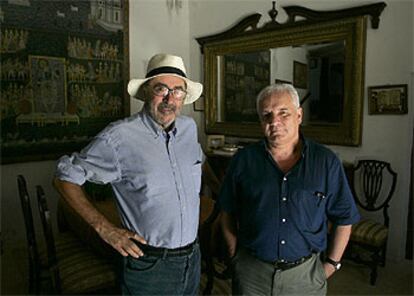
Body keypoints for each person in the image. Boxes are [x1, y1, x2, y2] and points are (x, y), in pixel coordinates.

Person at [54, 53, 209, 295]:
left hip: (192, 258)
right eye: (161, 89)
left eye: (178, 91)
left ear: (184, 97)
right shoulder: (118, 137)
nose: (170, 98)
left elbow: (199, 165)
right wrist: (105, 229)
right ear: (147, 91)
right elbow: (65, 178)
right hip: (149, 265)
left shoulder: (189, 129)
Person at [217, 83, 360, 296]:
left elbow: (344, 218)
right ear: (260, 121)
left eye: (284, 113)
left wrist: (331, 264)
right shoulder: (243, 160)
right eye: (267, 115)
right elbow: (227, 210)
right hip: (251, 274)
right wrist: (235, 256)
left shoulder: (325, 162)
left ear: (299, 115)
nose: (274, 122)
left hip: (305, 276)